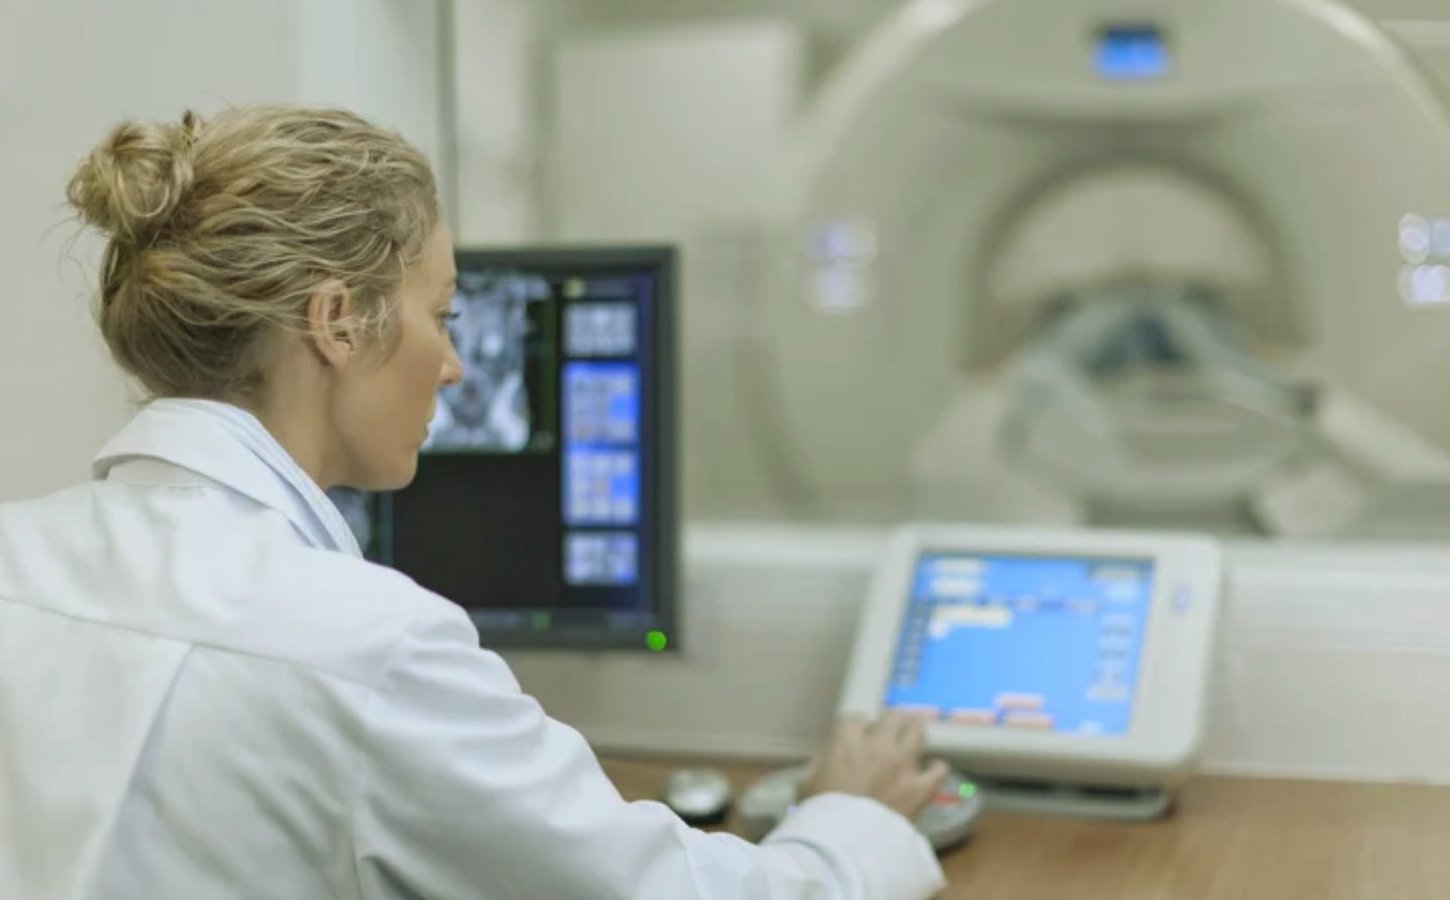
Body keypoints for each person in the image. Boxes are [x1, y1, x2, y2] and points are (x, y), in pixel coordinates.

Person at [0, 106, 948, 900]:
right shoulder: (368, 648)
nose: (452, 365)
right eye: (443, 315)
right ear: (337, 323)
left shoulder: (17, 559)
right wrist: (852, 819)